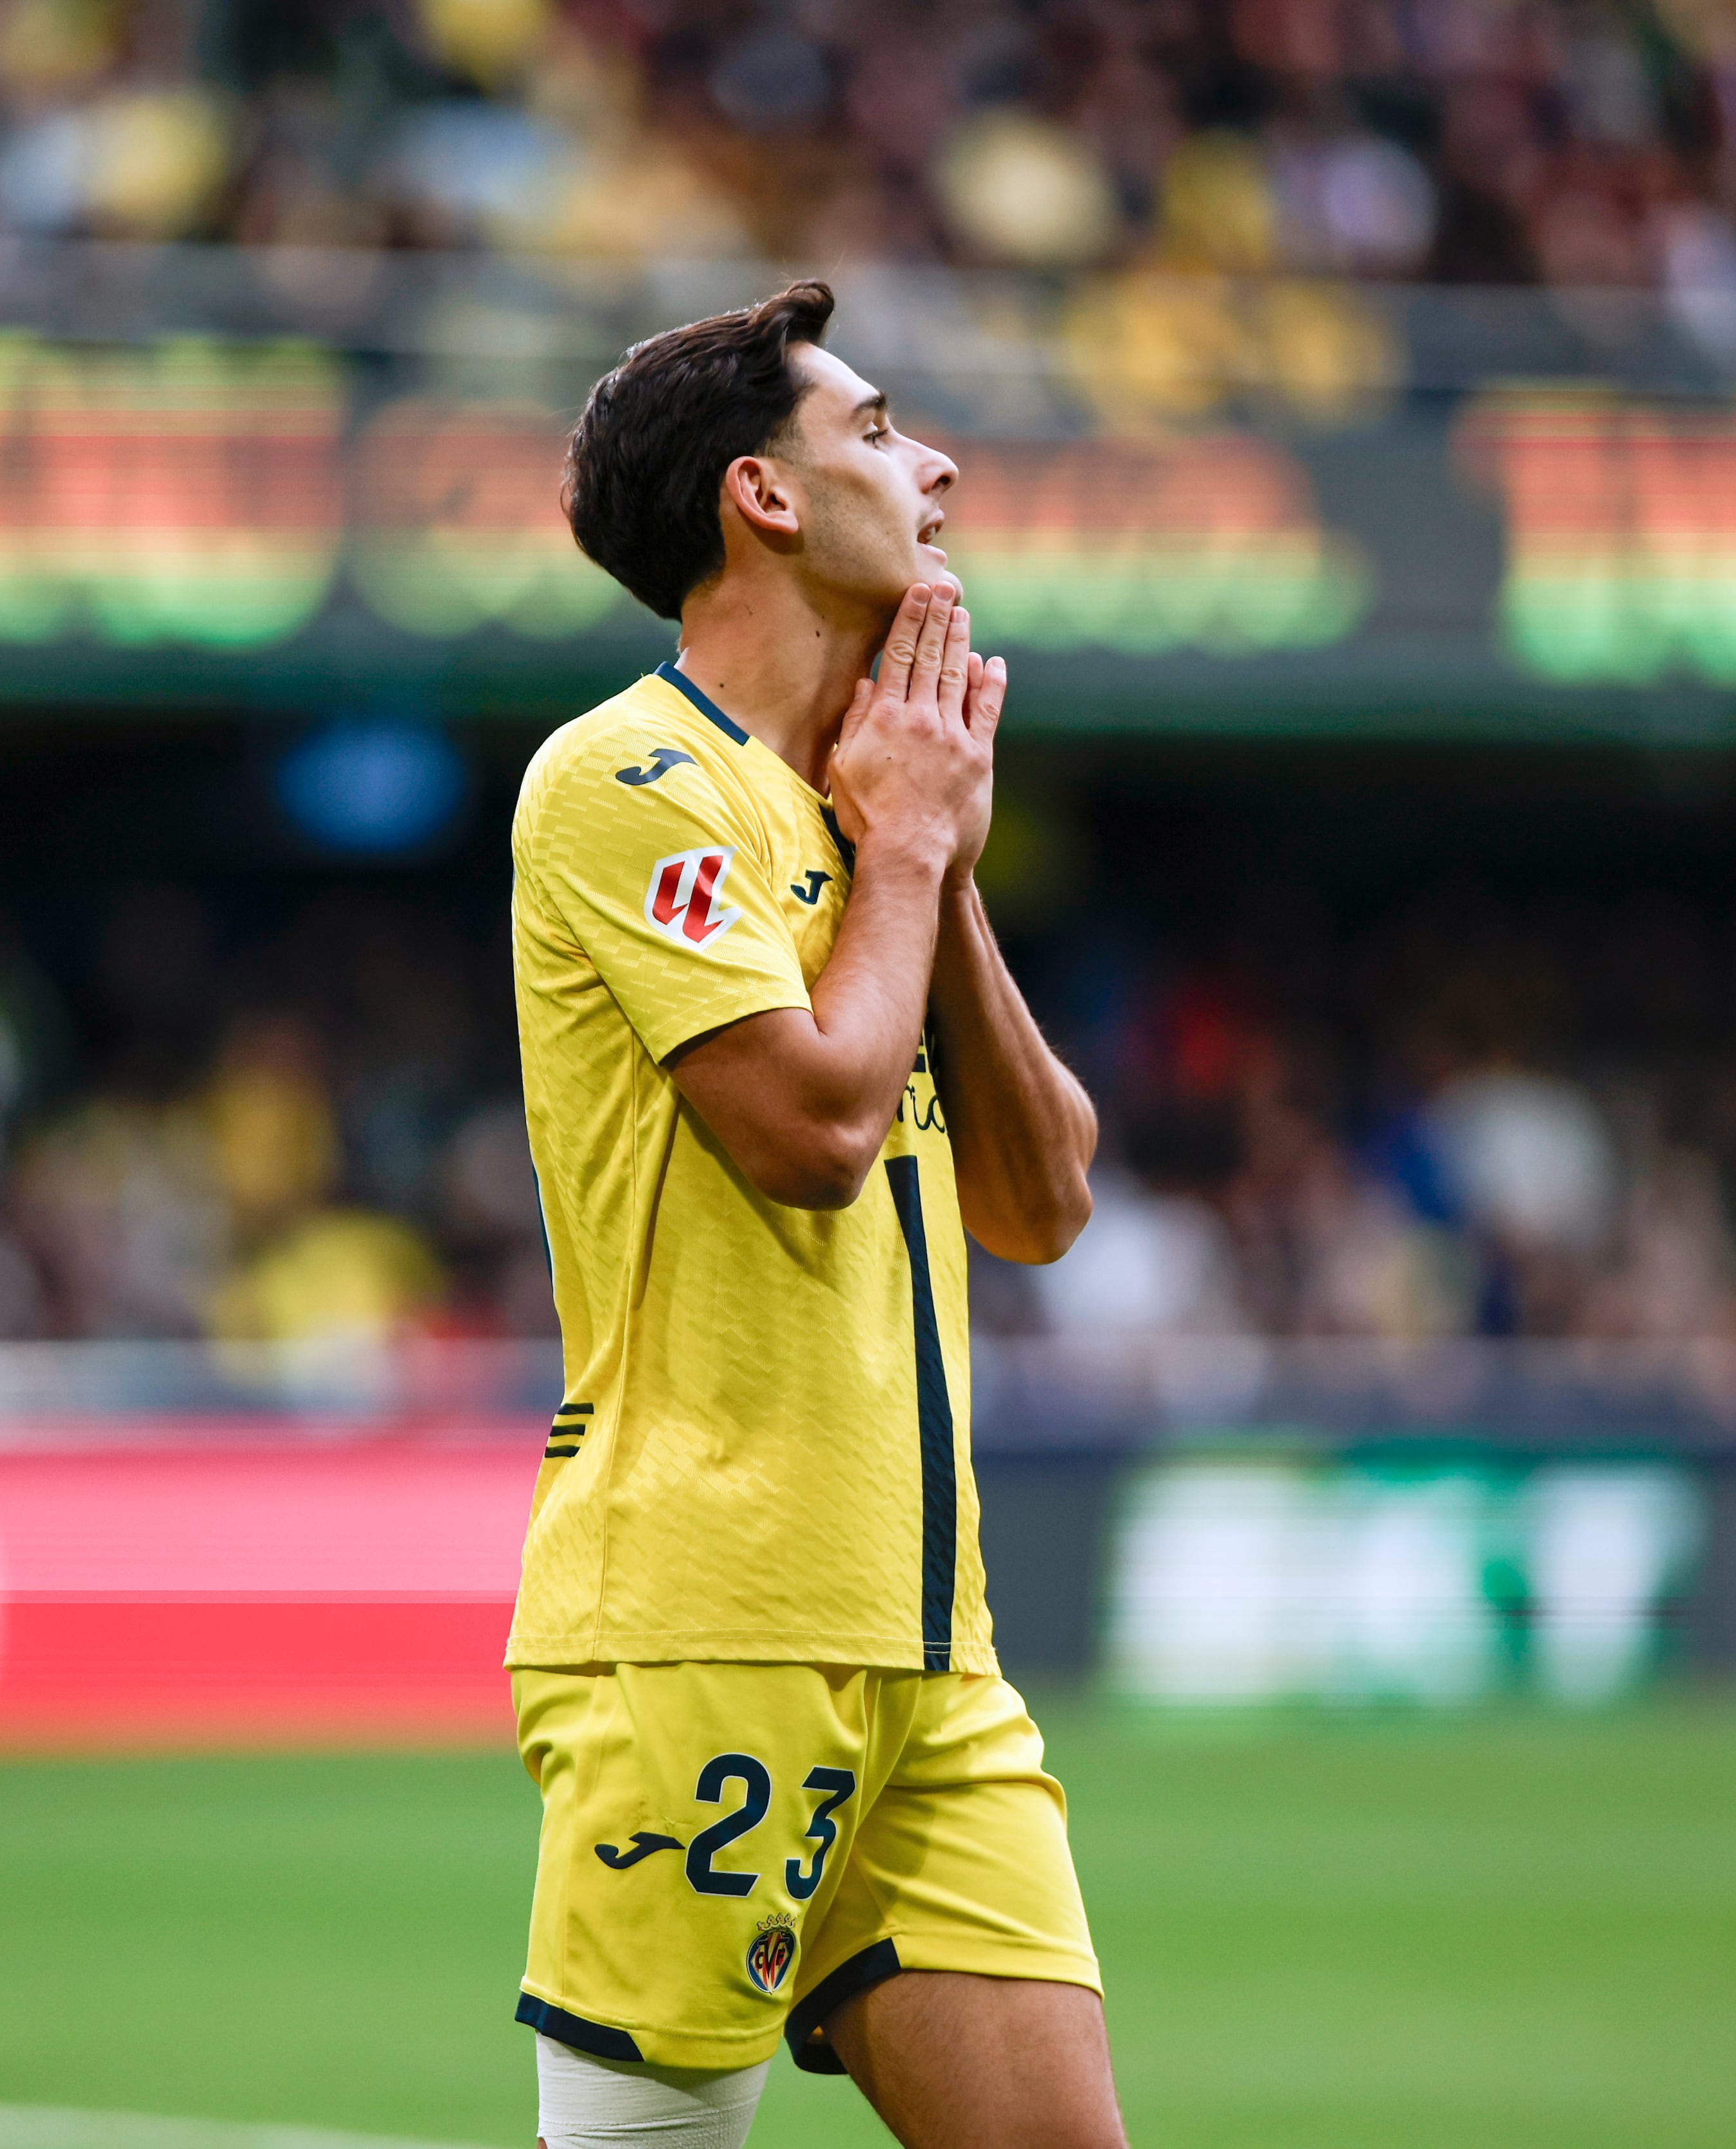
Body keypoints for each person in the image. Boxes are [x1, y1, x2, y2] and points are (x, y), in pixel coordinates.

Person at [507, 280, 1118, 2148]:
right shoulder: (626, 778)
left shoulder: (866, 815)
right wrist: (910, 848)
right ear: (761, 496)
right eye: (874, 429)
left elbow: (1045, 1196)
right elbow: (816, 1127)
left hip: (931, 1645)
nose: (935, 465)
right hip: (710, 1624)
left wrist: (932, 860)